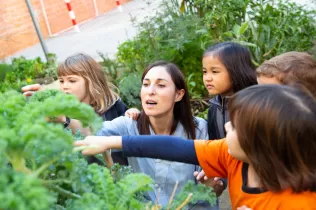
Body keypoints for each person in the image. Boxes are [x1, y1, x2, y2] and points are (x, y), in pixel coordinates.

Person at [74, 85, 316, 210]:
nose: (228, 125)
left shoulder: (301, 202)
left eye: (236, 126)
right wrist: (113, 142)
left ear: (260, 144)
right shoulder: (233, 155)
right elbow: (174, 147)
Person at [95, 61, 214, 209]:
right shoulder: (129, 124)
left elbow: (210, 191)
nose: (150, 91)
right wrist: (66, 119)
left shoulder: (199, 128)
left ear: (178, 94)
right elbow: (90, 131)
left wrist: (213, 183)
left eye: (161, 85)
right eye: (146, 84)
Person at [21, 53, 128, 165]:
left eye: (72, 81)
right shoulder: (64, 111)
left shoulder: (113, 106)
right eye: (61, 81)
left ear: (92, 81)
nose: (65, 86)